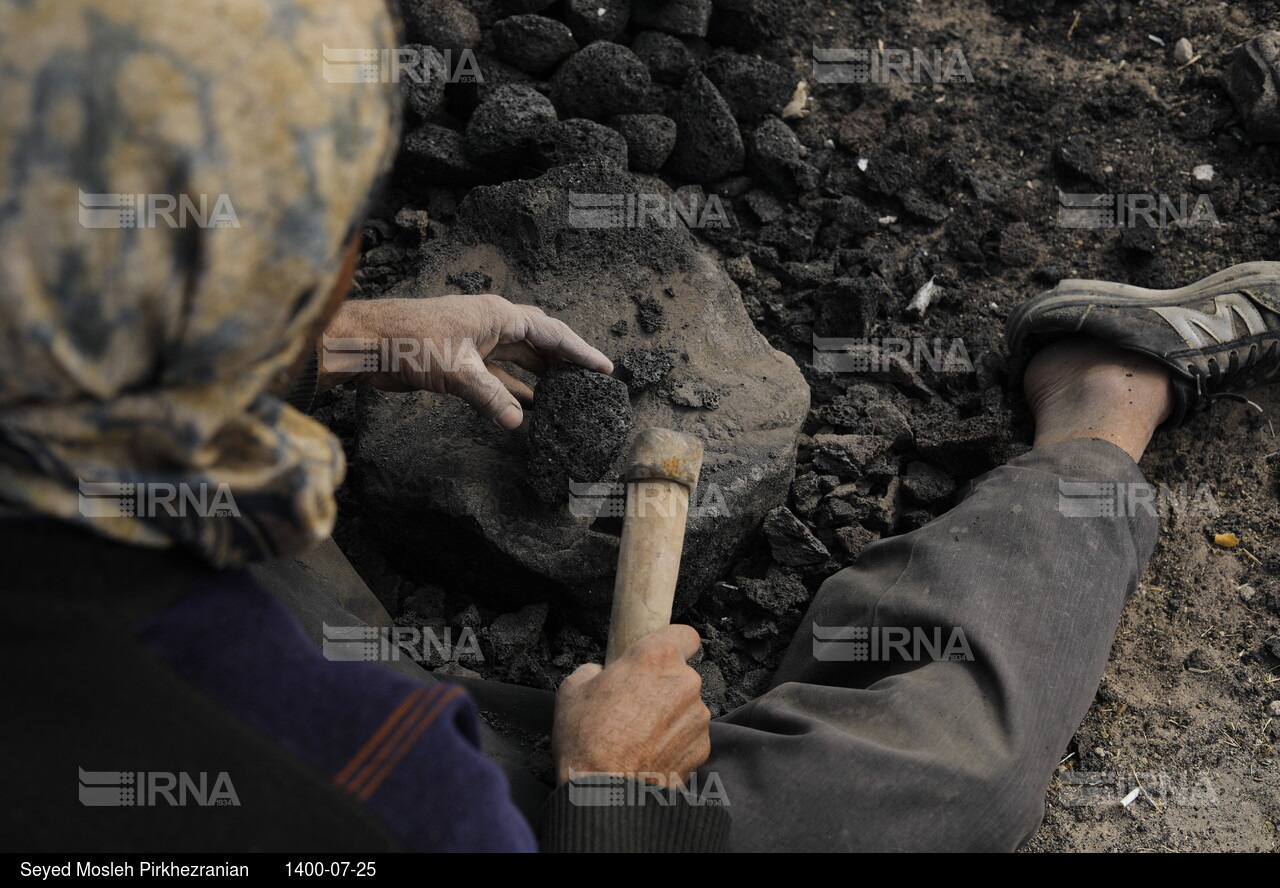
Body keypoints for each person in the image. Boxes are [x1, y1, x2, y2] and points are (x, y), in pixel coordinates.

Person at [5, 0, 1277, 855]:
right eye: (329, 242)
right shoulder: (368, 784)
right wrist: (611, 794)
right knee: (938, 778)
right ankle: (1097, 410)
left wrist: (327, 334)